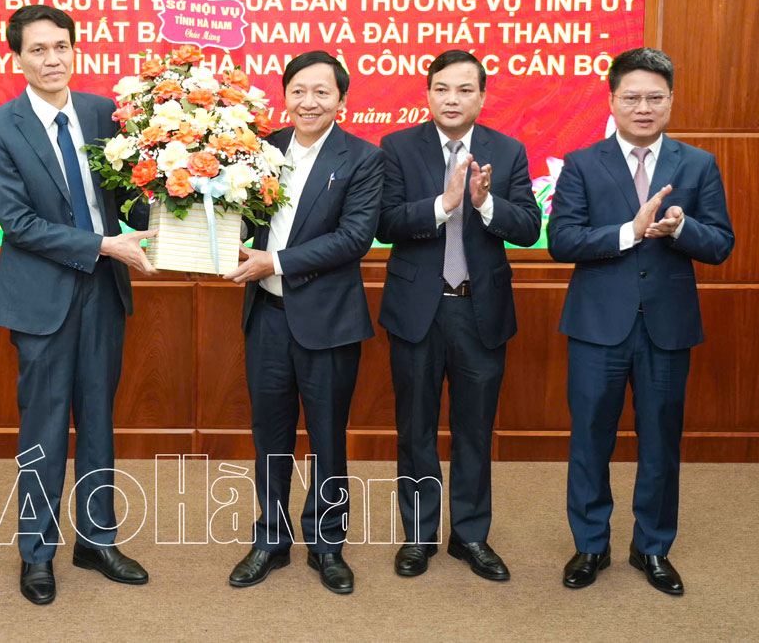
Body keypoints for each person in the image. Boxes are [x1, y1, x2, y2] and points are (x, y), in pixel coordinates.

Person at [0, 5, 156, 606]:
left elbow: (130, 200)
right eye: (38, 50)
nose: (52, 59)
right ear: (17, 58)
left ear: (75, 49)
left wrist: (180, 197)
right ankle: (37, 552)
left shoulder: (106, 114)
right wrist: (103, 245)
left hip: (104, 290)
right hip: (41, 296)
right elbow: (19, 224)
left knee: (98, 420)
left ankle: (97, 541)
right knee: (45, 427)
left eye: (61, 47)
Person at [548, 47, 734, 596]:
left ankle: (652, 547)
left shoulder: (697, 164)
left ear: (671, 101)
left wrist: (681, 229)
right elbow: (562, 241)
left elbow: (720, 244)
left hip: (667, 328)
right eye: (632, 98)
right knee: (590, 439)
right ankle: (590, 545)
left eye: (655, 97)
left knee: (660, 441)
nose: (644, 108)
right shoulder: (583, 163)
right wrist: (629, 232)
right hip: (596, 327)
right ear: (612, 101)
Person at [376, 50, 542, 582]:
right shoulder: (398, 147)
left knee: (475, 430)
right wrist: (444, 204)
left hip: (479, 310)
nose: (452, 99)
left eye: (465, 89)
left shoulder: (507, 151)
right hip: (418, 312)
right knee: (416, 430)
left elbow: (528, 227)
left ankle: (470, 535)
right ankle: (418, 535)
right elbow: (384, 222)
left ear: (482, 97)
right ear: (428, 94)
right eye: (442, 88)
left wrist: (485, 203)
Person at [222, 50, 383, 595]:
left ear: (341, 100)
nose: (308, 102)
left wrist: (275, 261)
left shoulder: (362, 158)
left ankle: (327, 544)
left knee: (327, 437)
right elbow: (235, 216)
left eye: (321, 92)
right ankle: (270, 539)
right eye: (298, 91)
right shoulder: (259, 150)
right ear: (285, 95)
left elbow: (354, 238)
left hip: (329, 322)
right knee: (269, 436)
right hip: (267, 318)